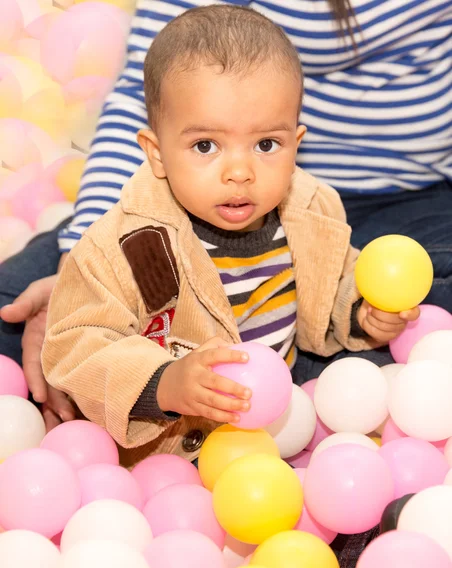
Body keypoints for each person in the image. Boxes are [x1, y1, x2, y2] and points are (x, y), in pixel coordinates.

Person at [0, 0, 450, 431]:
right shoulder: (133, 244)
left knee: (417, 329)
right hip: (186, 426)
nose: (239, 172)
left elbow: (335, 278)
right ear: (155, 155)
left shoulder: (313, 214)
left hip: (418, 194)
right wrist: (160, 381)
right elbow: (85, 339)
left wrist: (362, 313)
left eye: (267, 145)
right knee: (19, 313)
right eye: (205, 146)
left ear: (296, 143)